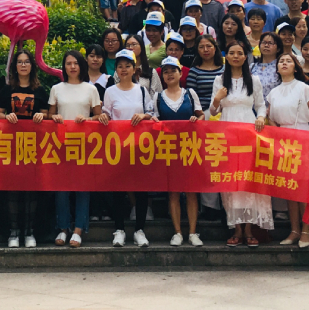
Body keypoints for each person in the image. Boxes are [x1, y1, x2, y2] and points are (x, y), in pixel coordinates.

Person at [210, 42, 271, 246]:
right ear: (226, 57)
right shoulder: (219, 79)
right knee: (231, 181)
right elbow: (213, 112)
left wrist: (261, 117)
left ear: (246, 57)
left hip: (248, 131)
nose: (236, 56)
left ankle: (249, 228)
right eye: (232, 53)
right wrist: (217, 100)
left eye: (240, 53)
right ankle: (236, 227)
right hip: (227, 133)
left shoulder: (253, 80)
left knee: (248, 179)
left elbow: (261, 105)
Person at [265, 53, 309, 248]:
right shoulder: (272, 93)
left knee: (303, 188)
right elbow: (271, 119)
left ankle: (306, 230)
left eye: (288, 61)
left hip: (301, 136)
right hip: (283, 140)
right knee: (289, 188)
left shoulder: (304, 88)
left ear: (296, 66)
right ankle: (294, 230)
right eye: (281, 61)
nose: (284, 63)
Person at [98, 48, 154, 247]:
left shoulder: (141, 90)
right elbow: (105, 114)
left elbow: (151, 113)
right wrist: (103, 117)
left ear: (134, 69)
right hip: (117, 148)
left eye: (127, 66)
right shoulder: (110, 91)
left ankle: (139, 229)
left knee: (140, 189)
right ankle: (119, 229)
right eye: (120, 66)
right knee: (118, 190)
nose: (123, 69)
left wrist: (144, 116)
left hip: (140, 147)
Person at [48, 50, 102, 247]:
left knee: (82, 188)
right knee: (61, 189)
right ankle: (63, 228)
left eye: (76, 63)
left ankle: (79, 229)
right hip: (60, 144)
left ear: (81, 66)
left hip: (85, 145)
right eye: (68, 63)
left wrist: (87, 119)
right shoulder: (56, 88)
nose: (72, 67)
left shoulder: (91, 89)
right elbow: (50, 115)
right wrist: (52, 117)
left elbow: (99, 116)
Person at [0, 49, 50, 247]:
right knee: (13, 190)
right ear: (15, 66)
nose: (23, 65)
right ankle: (13, 232)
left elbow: (46, 114)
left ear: (32, 66)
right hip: (11, 145)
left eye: (27, 61)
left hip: (33, 146)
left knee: (30, 190)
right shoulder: (7, 88)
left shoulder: (40, 90)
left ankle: (29, 232)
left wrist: (40, 116)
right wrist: (7, 117)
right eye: (20, 62)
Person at [155, 56, 204, 246]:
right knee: (173, 192)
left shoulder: (190, 93)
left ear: (180, 73)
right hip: (169, 149)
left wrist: (196, 120)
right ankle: (177, 232)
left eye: (172, 70)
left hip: (190, 147)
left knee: (191, 191)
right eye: (165, 71)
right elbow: (155, 120)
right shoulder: (158, 96)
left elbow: (201, 117)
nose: (169, 74)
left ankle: (193, 232)